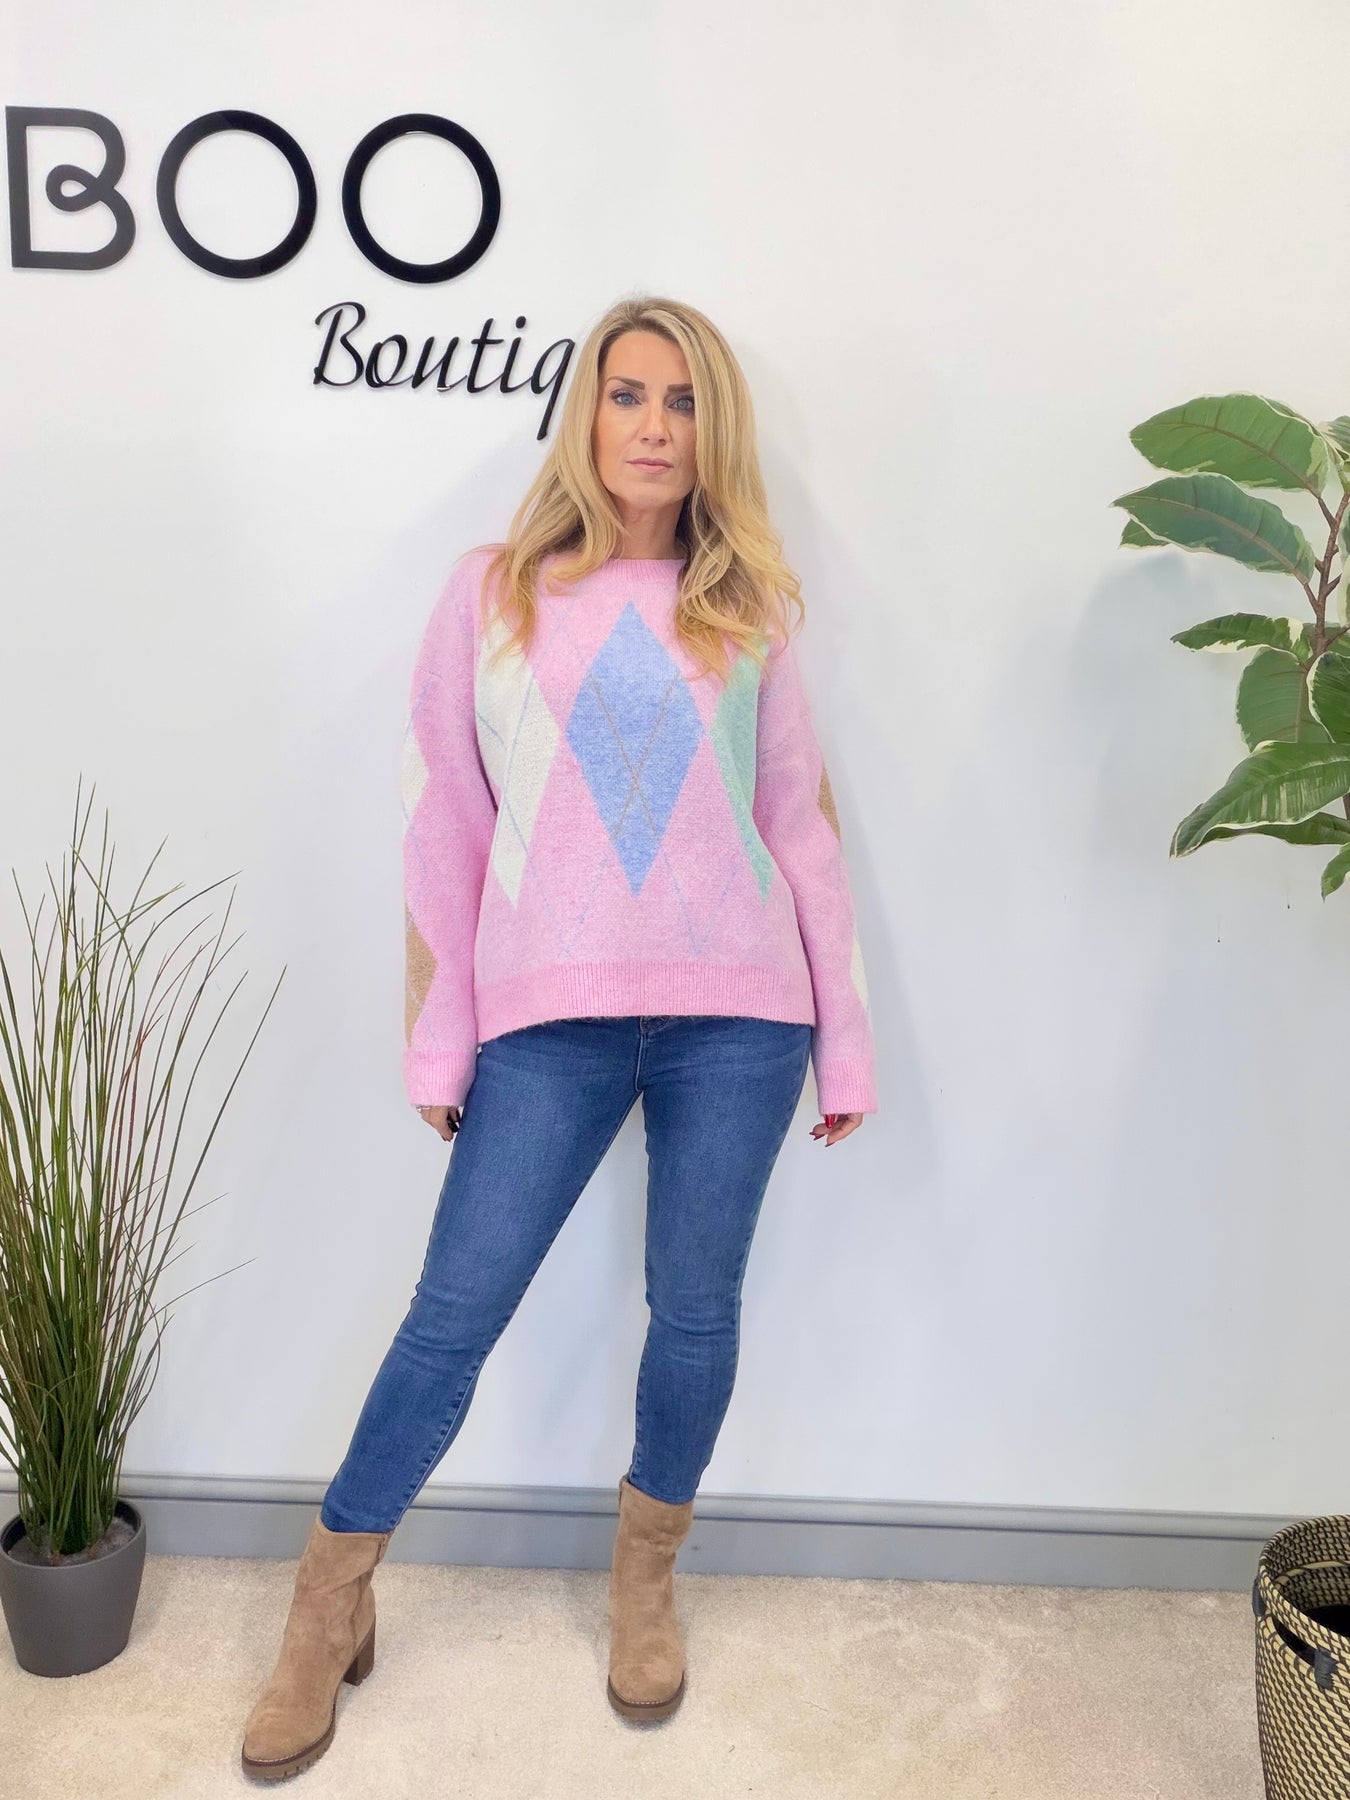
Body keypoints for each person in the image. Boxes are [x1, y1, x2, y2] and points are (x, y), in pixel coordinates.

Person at [239, 294, 878, 1782]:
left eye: (682, 402)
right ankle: (327, 1603)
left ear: (713, 432)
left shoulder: (754, 610)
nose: (653, 426)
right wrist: (438, 1037)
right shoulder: (493, 593)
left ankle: (644, 1580)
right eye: (627, 394)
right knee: (452, 1316)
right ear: (585, 414)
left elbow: (801, 825)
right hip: (549, 1019)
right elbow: (443, 828)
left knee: (695, 1312)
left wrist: (843, 1040)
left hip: (739, 1015)